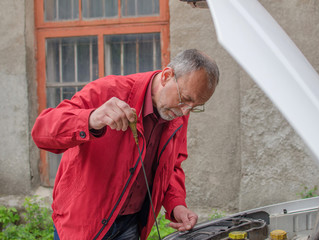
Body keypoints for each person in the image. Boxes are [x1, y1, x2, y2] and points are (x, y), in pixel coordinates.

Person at [32, 49, 219, 240]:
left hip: (131, 225)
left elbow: (171, 167)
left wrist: (176, 204)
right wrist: (90, 119)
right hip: (83, 224)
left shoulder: (177, 113)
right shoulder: (106, 90)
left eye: (195, 107)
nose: (185, 112)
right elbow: (41, 132)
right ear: (166, 76)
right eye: (185, 99)